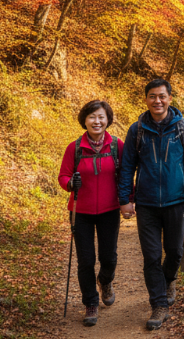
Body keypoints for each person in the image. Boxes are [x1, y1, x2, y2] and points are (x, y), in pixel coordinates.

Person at [117, 78, 184, 331]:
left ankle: (168, 281)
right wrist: (125, 200)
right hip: (147, 204)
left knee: (175, 252)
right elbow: (127, 167)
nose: (157, 101)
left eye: (162, 96)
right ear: (146, 99)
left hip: (176, 201)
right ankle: (159, 304)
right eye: (152, 96)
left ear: (169, 98)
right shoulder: (137, 130)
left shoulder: (183, 127)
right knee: (152, 256)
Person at [58, 100, 124, 327]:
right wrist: (70, 184)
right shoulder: (74, 148)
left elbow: (125, 177)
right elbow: (63, 176)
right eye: (92, 117)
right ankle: (90, 303)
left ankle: (105, 281)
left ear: (108, 120)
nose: (97, 121)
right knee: (86, 260)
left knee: (109, 257)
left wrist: (129, 200)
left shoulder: (117, 145)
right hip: (81, 211)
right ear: (84, 120)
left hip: (109, 210)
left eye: (101, 117)